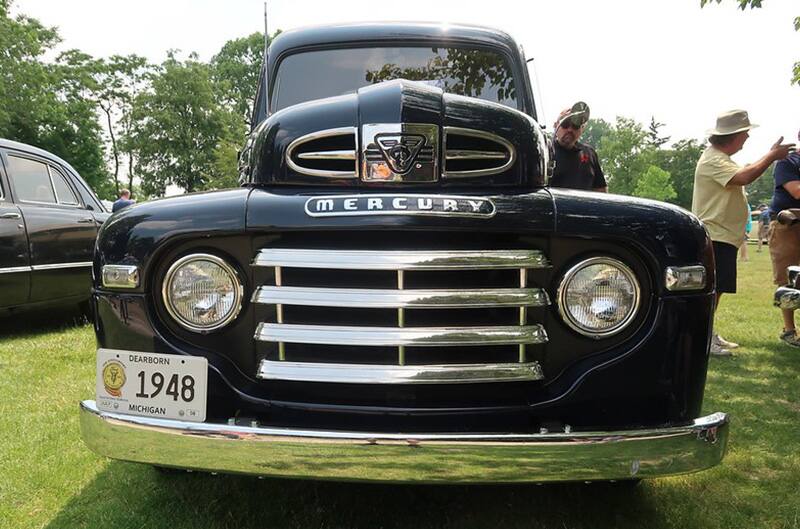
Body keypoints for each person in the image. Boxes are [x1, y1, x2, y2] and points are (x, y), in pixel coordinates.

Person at [691, 109, 795, 356]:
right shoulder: (713, 160)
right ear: (734, 136)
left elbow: (744, 170)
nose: (748, 136)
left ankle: (706, 333)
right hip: (716, 235)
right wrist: (771, 156)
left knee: (717, 289)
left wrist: (768, 155)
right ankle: (701, 338)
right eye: (745, 133)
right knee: (713, 291)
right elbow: (744, 176)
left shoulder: (719, 158)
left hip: (722, 235)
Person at [768, 128, 800, 347]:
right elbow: (796, 191)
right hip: (788, 225)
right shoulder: (788, 161)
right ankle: (789, 330)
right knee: (789, 278)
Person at [550, 101, 607, 192]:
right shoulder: (546, 152)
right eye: (565, 124)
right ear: (556, 125)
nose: (570, 129)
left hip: (583, 205)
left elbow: (601, 190)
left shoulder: (590, 153)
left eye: (575, 126)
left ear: (582, 129)